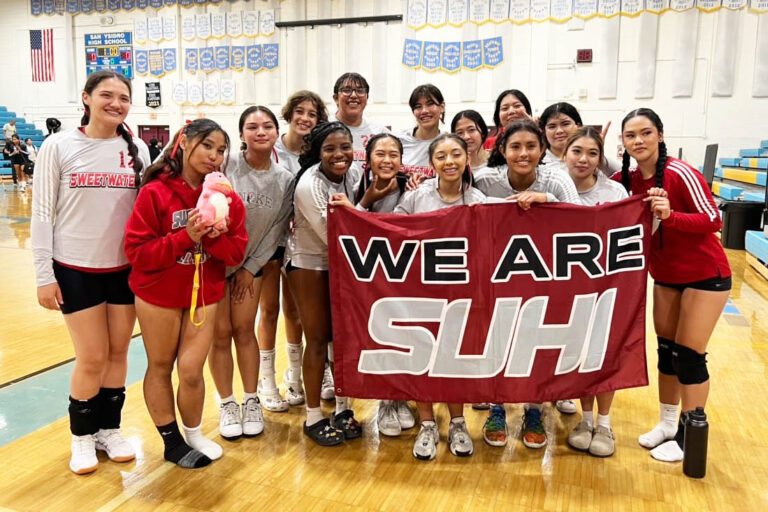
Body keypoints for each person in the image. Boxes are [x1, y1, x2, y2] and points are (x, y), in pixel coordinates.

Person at [31, 70, 150, 475]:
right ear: (86, 98)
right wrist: (43, 274)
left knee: (118, 354)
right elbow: (42, 213)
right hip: (74, 270)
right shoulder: (59, 145)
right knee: (92, 356)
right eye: (106, 95)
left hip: (124, 270)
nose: (115, 103)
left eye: (123, 97)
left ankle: (108, 430)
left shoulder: (137, 153)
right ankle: (81, 437)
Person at [124, 119, 247, 468]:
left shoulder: (226, 198)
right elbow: (137, 253)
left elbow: (237, 253)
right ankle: (171, 441)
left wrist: (212, 236)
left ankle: (194, 433)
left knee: (192, 370)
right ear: (185, 143)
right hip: (157, 293)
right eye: (207, 145)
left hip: (204, 294)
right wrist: (186, 236)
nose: (214, 156)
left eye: (221, 150)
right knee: (161, 367)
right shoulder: (155, 192)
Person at [616, 108, 730, 464]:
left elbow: (714, 219)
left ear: (660, 136)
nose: (639, 141)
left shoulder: (680, 173)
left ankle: (689, 434)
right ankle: (668, 424)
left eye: (646, 133)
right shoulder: (629, 178)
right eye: (631, 135)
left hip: (704, 275)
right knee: (666, 351)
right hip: (664, 276)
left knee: (690, 357)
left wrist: (672, 215)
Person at [476, 120, 581, 449]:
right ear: (502, 150)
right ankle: (497, 406)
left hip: (542, 275)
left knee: (534, 343)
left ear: (543, 150)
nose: (523, 153)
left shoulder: (556, 178)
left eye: (531, 146)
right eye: (515, 147)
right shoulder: (485, 181)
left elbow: (584, 219)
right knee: (498, 341)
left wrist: (547, 199)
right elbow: (458, 207)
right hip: (496, 275)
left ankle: (534, 409)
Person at [394, 133, 487, 460]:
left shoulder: (479, 199)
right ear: (432, 163)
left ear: (467, 158)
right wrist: (354, 211)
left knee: (455, 358)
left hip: (463, 294)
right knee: (424, 356)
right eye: (442, 156)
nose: (449, 162)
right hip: (422, 291)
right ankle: (428, 423)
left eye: (456, 155)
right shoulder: (418, 197)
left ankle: (458, 421)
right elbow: (390, 230)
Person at [209, 107, 294, 442]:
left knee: (244, 330)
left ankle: (251, 400)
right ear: (241, 133)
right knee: (219, 335)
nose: (261, 131)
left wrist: (250, 267)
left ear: (276, 131)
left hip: (250, 269)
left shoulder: (284, 179)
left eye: (268, 126)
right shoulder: (224, 166)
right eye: (252, 126)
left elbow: (276, 230)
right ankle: (227, 404)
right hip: (215, 267)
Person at [329, 133, 416, 437]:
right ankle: (384, 401)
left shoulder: (412, 189)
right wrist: (365, 202)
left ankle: (400, 396)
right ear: (368, 159)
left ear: (402, 160)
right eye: (380, 153)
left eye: (394, 154)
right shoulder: (355, 188)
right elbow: (349, 228)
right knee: (376, 338)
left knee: (403, 336)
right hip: (367, 277)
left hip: (403, 274)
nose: (388, 160)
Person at [286, 121, 363, 446]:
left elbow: (359, 220)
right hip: (309, 262)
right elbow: (335, 235)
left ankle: (343, 408)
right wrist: (370, 198)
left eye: (345, 146)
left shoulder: (354, 174)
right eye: (330, 149)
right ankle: (314, 415)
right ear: (318, 153)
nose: (339, 154)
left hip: (344, 263)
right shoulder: (309, 184)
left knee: (343, 339)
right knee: (317, 338)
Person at [562, 127, 628, 457]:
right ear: (564, 154)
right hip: (566, 288)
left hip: (606, 286)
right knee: (580, 352)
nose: (584, 159)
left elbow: (633, 234)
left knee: (605, 354)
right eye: (577, 151)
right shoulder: (554, 188)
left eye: (592, 153)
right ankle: (585, 419)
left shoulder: (615, 192)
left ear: (600, 158)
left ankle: (605, 423)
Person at [274, 91, 333, 401]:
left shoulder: (320, 157)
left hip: (306, 241)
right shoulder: (273, 149)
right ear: (289, 113)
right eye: (300, 111)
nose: (305, 118)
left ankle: (317, 370)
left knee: (313, 316)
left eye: (312, 113)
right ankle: (291, 373)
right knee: (285, 311)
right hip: (277, 242)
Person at [538, 102, 619, 177]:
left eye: (565, 124)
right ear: (544, 131)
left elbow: (624, 173)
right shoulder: (538, 163)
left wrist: (597, 152)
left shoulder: (590, 160)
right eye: (552, 126)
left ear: (578, 126)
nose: (559, 131)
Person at [330, 72, 388, 165]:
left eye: (360, 90)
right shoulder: (324, 129)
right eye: (347, 90)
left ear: (367, 97)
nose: (353, 95)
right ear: (336, 98)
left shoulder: (380, 132)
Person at [398, 84, 445, 178]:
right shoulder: (398, 141)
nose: (424, 111)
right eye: (418, 106)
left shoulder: (448, 143)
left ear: (442, 107)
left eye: (430, 104)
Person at [452, 110, 491, 176]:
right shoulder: (453, 166)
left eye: (471, 130)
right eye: (460, 133)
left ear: (483, 133)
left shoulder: (497, 160)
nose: (466, 137)